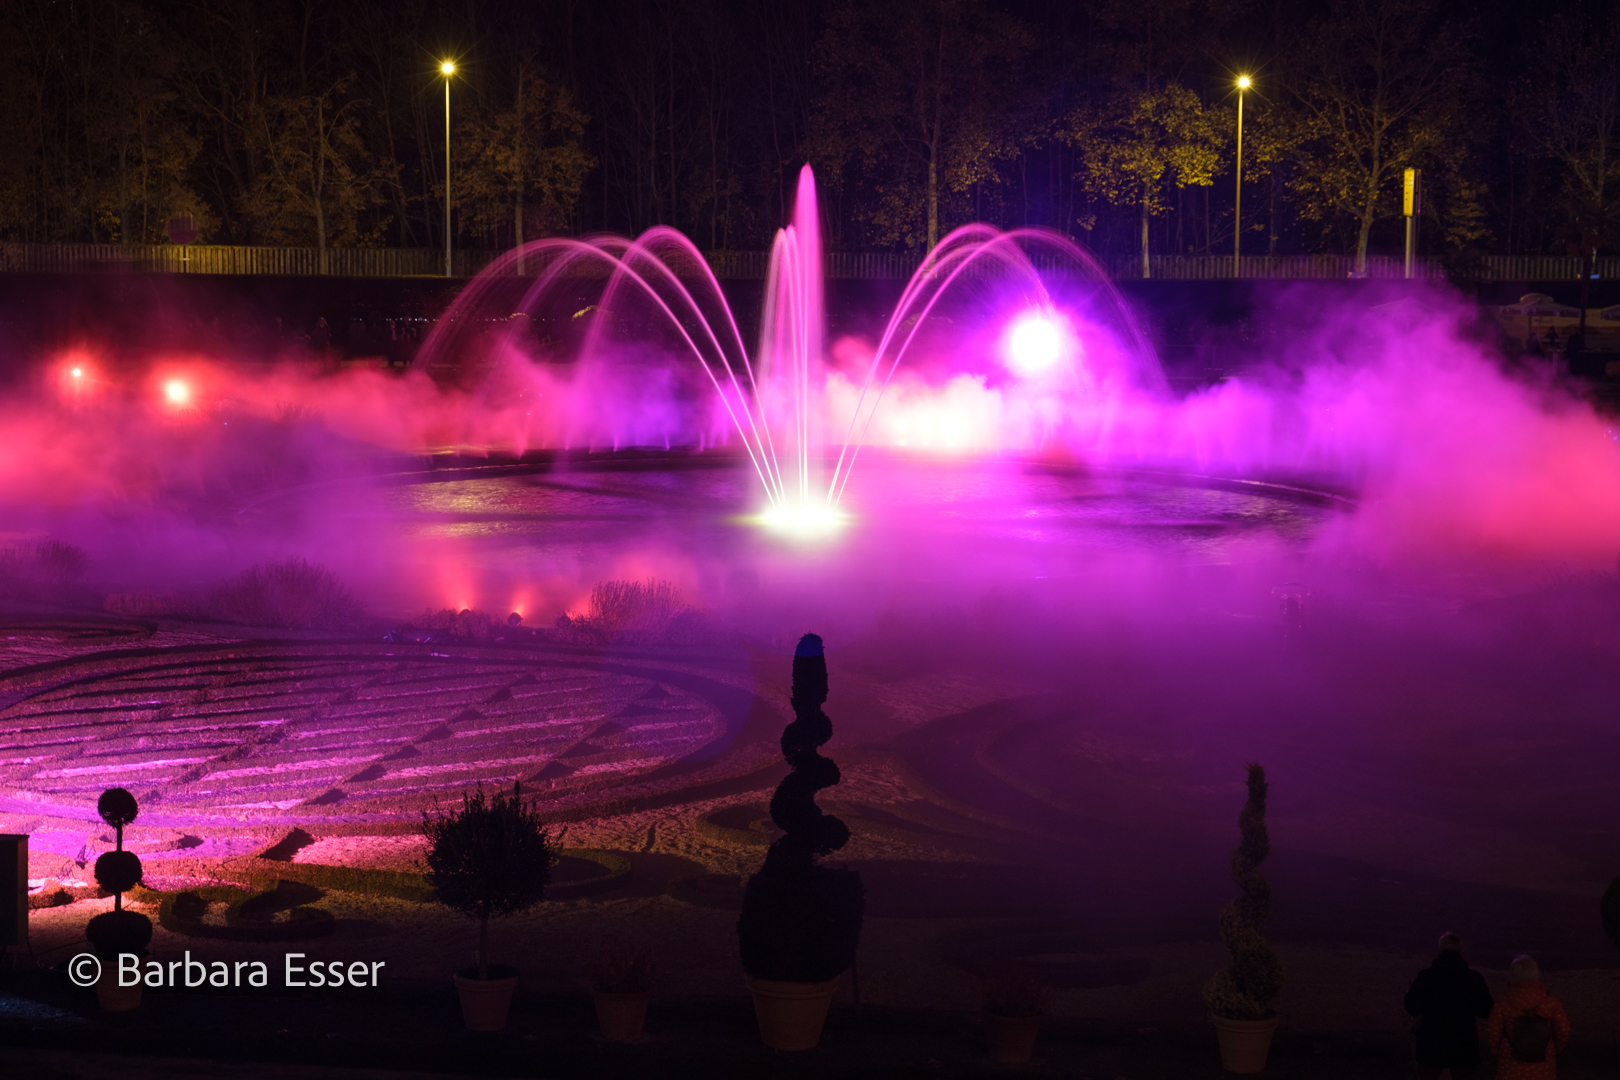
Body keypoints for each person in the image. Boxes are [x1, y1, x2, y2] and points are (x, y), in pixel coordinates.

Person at [1404, 932, 1494, 1080]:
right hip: (1463, 1045)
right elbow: (1485, 1010)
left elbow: (1412, 1007)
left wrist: (1409, 995)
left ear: (1440, 949)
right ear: (1461, 950)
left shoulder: (1426, 976)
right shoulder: (1473, 978)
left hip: (1431, 1044)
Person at [1484, 955, 1570, 1080]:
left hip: (1510, 1057)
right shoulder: (1549, 1000)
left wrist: (1496, 1051)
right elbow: (1563, 1029)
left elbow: (1493, 1031)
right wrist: (1555, 1048)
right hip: (1543, 1057)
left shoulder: (1503, 1001)